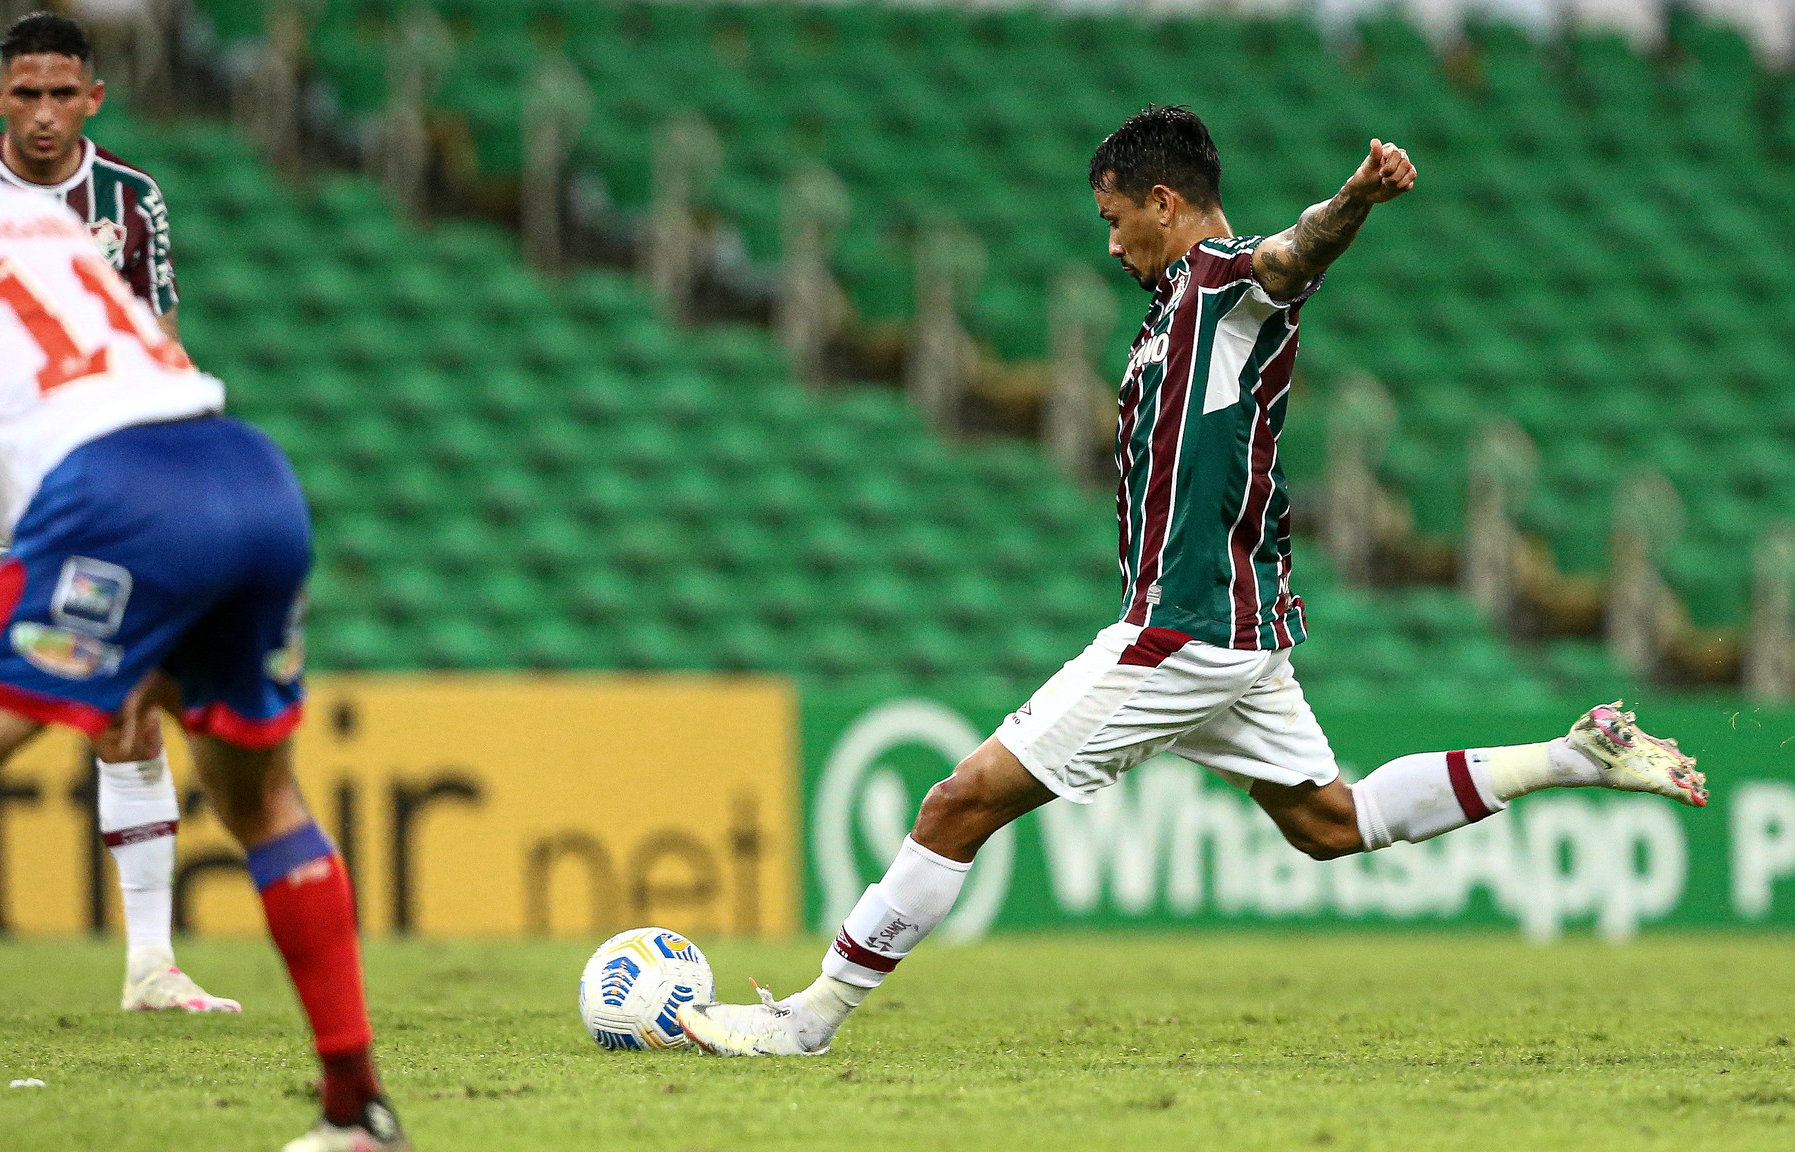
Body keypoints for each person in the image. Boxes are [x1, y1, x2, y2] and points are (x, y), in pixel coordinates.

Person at [679, 105, 1709, 1059]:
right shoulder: (1179, 301)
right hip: (1235, 633)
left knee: (958, 801)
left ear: (1162, 204)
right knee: (1327, 823)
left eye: (1115, 218)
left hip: (1181, 630)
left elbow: (1291, 250)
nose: (1110, 241)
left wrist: (1352, 200)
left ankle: (806, 1024)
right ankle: (1570, 759)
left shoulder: (1221, 280)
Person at [0, 16, 407, 1151]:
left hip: (111, 500)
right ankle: (358, 1110)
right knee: (261, 801)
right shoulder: (36, 209)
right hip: (244, 472)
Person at [0, 9, 230, 1014]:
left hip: (77, 486)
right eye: (25, 94)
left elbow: (156, 341)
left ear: (93, 97)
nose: (44, 115)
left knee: (123, 716)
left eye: (62, 94)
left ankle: (151, 967)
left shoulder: (129, 200)